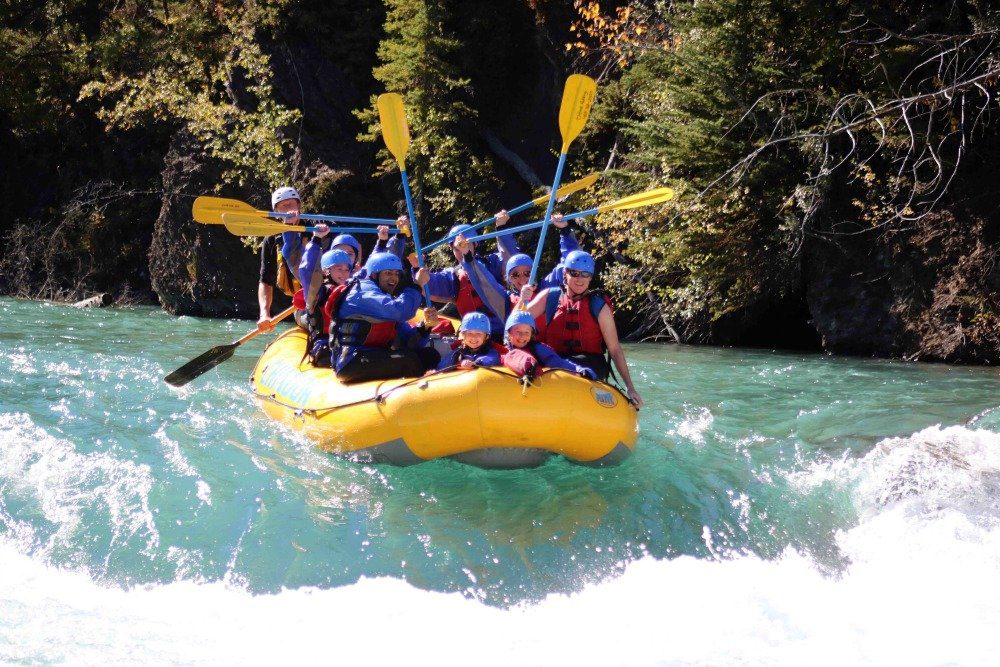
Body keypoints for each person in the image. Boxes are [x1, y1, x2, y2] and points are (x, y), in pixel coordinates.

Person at [518, 250, 644, 408]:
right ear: (565, 273)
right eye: (574, 273)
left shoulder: (599, 306)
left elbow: (615, 349)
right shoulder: (549, 296)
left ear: (591, 277)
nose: (579, 279)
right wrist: (522, 301)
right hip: (555, 359)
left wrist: (630, 388)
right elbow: (516, 322)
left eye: (585, 274)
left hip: (589, 363)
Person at [330, 252, 441, 383]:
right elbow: (401, 311)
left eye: (396, 274)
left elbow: (408, 341)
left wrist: (425, 326)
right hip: (351, 361)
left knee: (430, 355)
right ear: (374, 275)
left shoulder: (384, 299)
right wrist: (416, 285)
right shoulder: (361, 293)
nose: (393, 278)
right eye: (388, 273)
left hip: (373, 356)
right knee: (410, 361)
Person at [460, 213, 578, 332]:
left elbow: (572, 263)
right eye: (515, 275)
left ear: (534, 272)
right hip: (521, 348)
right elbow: (484, 282)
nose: (522, 279)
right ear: (508, 278)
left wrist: (565, 230)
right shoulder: (505, 301)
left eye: (527, 273)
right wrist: (467, 256)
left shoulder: (546, 287)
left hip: (550, 347)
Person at [257, 186, 331, 332]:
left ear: (299, 206)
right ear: (276, 212)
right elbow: (266, 280)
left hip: (325, 291)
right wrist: (264, 313)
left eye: (291, 204)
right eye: (283, 206)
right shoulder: (272, 238)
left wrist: (326, 232)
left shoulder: (315, 226)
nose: (288, 209)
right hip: (301, 302)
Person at [293, 247, 352, 366]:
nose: (344, 273)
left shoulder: (352, 289)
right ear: (326, 271)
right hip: (324, 344)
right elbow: (306, 270)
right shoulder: (319, 292)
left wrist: (382, 242)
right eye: (339, 269)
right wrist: (316, 240)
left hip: (345, 344)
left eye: (346, 270)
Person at [500, 310, 596, 380]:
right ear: (509, 333)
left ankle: (529, 369)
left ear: (532, 335)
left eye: (526, 332)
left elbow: (558, 362)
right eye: (518, 332)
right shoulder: (503, 351)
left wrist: (579, 370)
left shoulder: (537, 349)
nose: (522, 336)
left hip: (539, 387)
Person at [436, 312, 503, 371]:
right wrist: (457, 361)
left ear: (487, 337)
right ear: (463, 335)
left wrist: (475, 363)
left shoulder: (490, 351)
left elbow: (492, 359)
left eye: (478, 333)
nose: (473, 337)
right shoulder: (459, 351)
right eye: (469, 333)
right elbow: (441, 365)